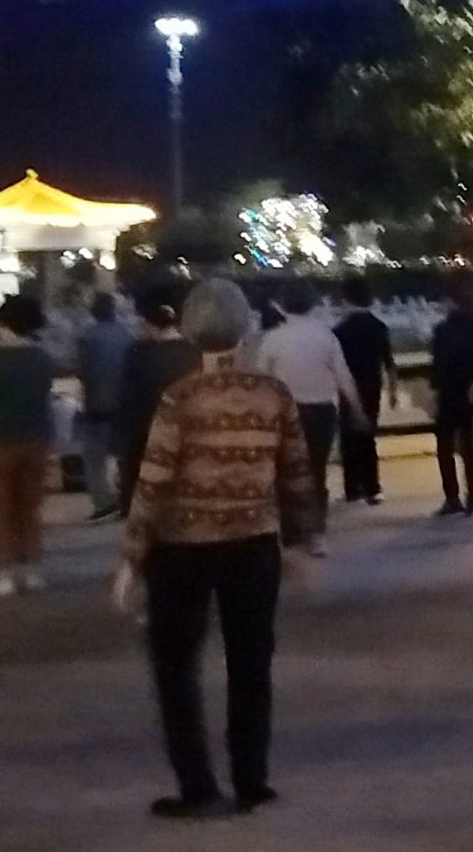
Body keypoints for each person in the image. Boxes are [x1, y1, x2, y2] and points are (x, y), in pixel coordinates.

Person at [113, 278, 319, 820]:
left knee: (176, 669)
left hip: (182, 547)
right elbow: (297, 473)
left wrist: (132, 558)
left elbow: (154, 481)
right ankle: (252, 780)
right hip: (254, 544)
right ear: (245, 327)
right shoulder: (273, 395)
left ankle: (198, 787)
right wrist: (301, 540)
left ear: (189, 330)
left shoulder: (180, 398)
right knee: (251, 664)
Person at [255, 284, 366, 543]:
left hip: (285, 413)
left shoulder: (273, 339)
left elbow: (261, 382)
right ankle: (316, 529)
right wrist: (357, 410)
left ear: (281, 306)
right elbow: (344, 378)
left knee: (285, 471)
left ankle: (291, 530)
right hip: (321, 411)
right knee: (316, 470)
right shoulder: (325, 336)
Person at [0, 292, 57, 597]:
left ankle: (3, 574)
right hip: (37, 441)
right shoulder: (42, 359)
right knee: (29, 508)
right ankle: (31, 570)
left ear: (4, 323)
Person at [118, 288, 202, 514]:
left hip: (145, 431)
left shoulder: (137, 353)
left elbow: (128, 397)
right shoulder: (193, 351)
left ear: (148, 323)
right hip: (187, 429)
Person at [333, 276, 395, 507]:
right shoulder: (379, 327)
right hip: (372, 386)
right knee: (367, 436)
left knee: (348, 438)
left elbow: (336, 365)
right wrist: (393, 391)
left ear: (346, 299)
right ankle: (372, 486)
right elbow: (389, 363)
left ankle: (353, 487)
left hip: (348, 387)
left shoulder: (340, 330)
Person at [430, 283, 473, 516]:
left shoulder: (442, 330)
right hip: (468, 393)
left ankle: (452, 497)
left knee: (445, 448)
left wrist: (435, 392)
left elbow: (438, 365)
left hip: (447, 393)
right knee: (468, 448)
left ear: (452, 302)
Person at [76, 291, 137, 519]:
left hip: (97, 405)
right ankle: (127, 496)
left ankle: (103, 501)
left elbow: (84, 373)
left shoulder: (87, 337)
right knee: (124, 454)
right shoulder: (127, 335)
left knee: (94, 458)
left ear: (93, 311)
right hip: (124, 404)